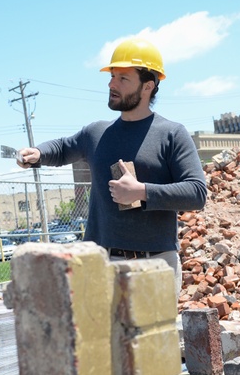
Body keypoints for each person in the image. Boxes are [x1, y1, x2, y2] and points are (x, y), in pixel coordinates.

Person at [16, 37, 207, 294]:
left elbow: (196, 193)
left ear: (148, 85)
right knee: (100, 336)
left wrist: (141, 192)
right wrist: (37, 153)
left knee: (153, 336)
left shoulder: (172, 134)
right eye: (112, 76)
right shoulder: (97, 133)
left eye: (122, 78)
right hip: (100, 265)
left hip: (155, 264)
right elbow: (62, 148)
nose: (111, 84)